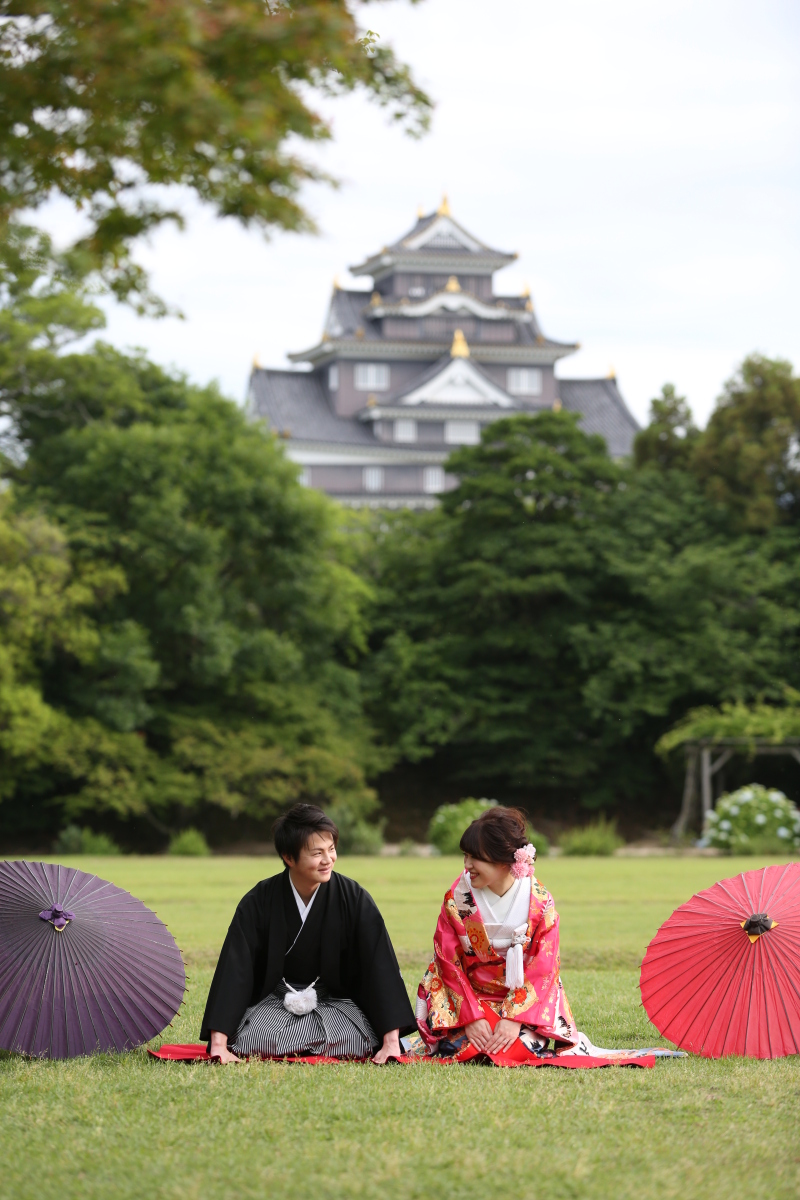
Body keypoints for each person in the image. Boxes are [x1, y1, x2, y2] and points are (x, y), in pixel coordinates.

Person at [201, 803, 414, 1064]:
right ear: (289, 857)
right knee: (252, 1038)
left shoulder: (354, 898)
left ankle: (299, 1044)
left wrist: (391, 1042)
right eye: (317, 853)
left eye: (332, 849)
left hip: (334, 1003)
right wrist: (219, 1045)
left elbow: (379, 966)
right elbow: (235, 969)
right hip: (275, 1003)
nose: (328, 860)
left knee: (359, 1040)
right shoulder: (259, 901)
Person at [416, 806, 580, 1059]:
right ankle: (469, 1031)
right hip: (469, 996)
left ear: (506, 861)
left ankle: (517, 1031)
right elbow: (447, 959)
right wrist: (470, 1017)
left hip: (519, 1000)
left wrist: (514, 1018)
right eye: (465, 855)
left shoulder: (539, 903)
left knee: (520, 1047)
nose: (467, 865)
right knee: (463, 1046)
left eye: (475, 857)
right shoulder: (458, 899)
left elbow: (543, 966)